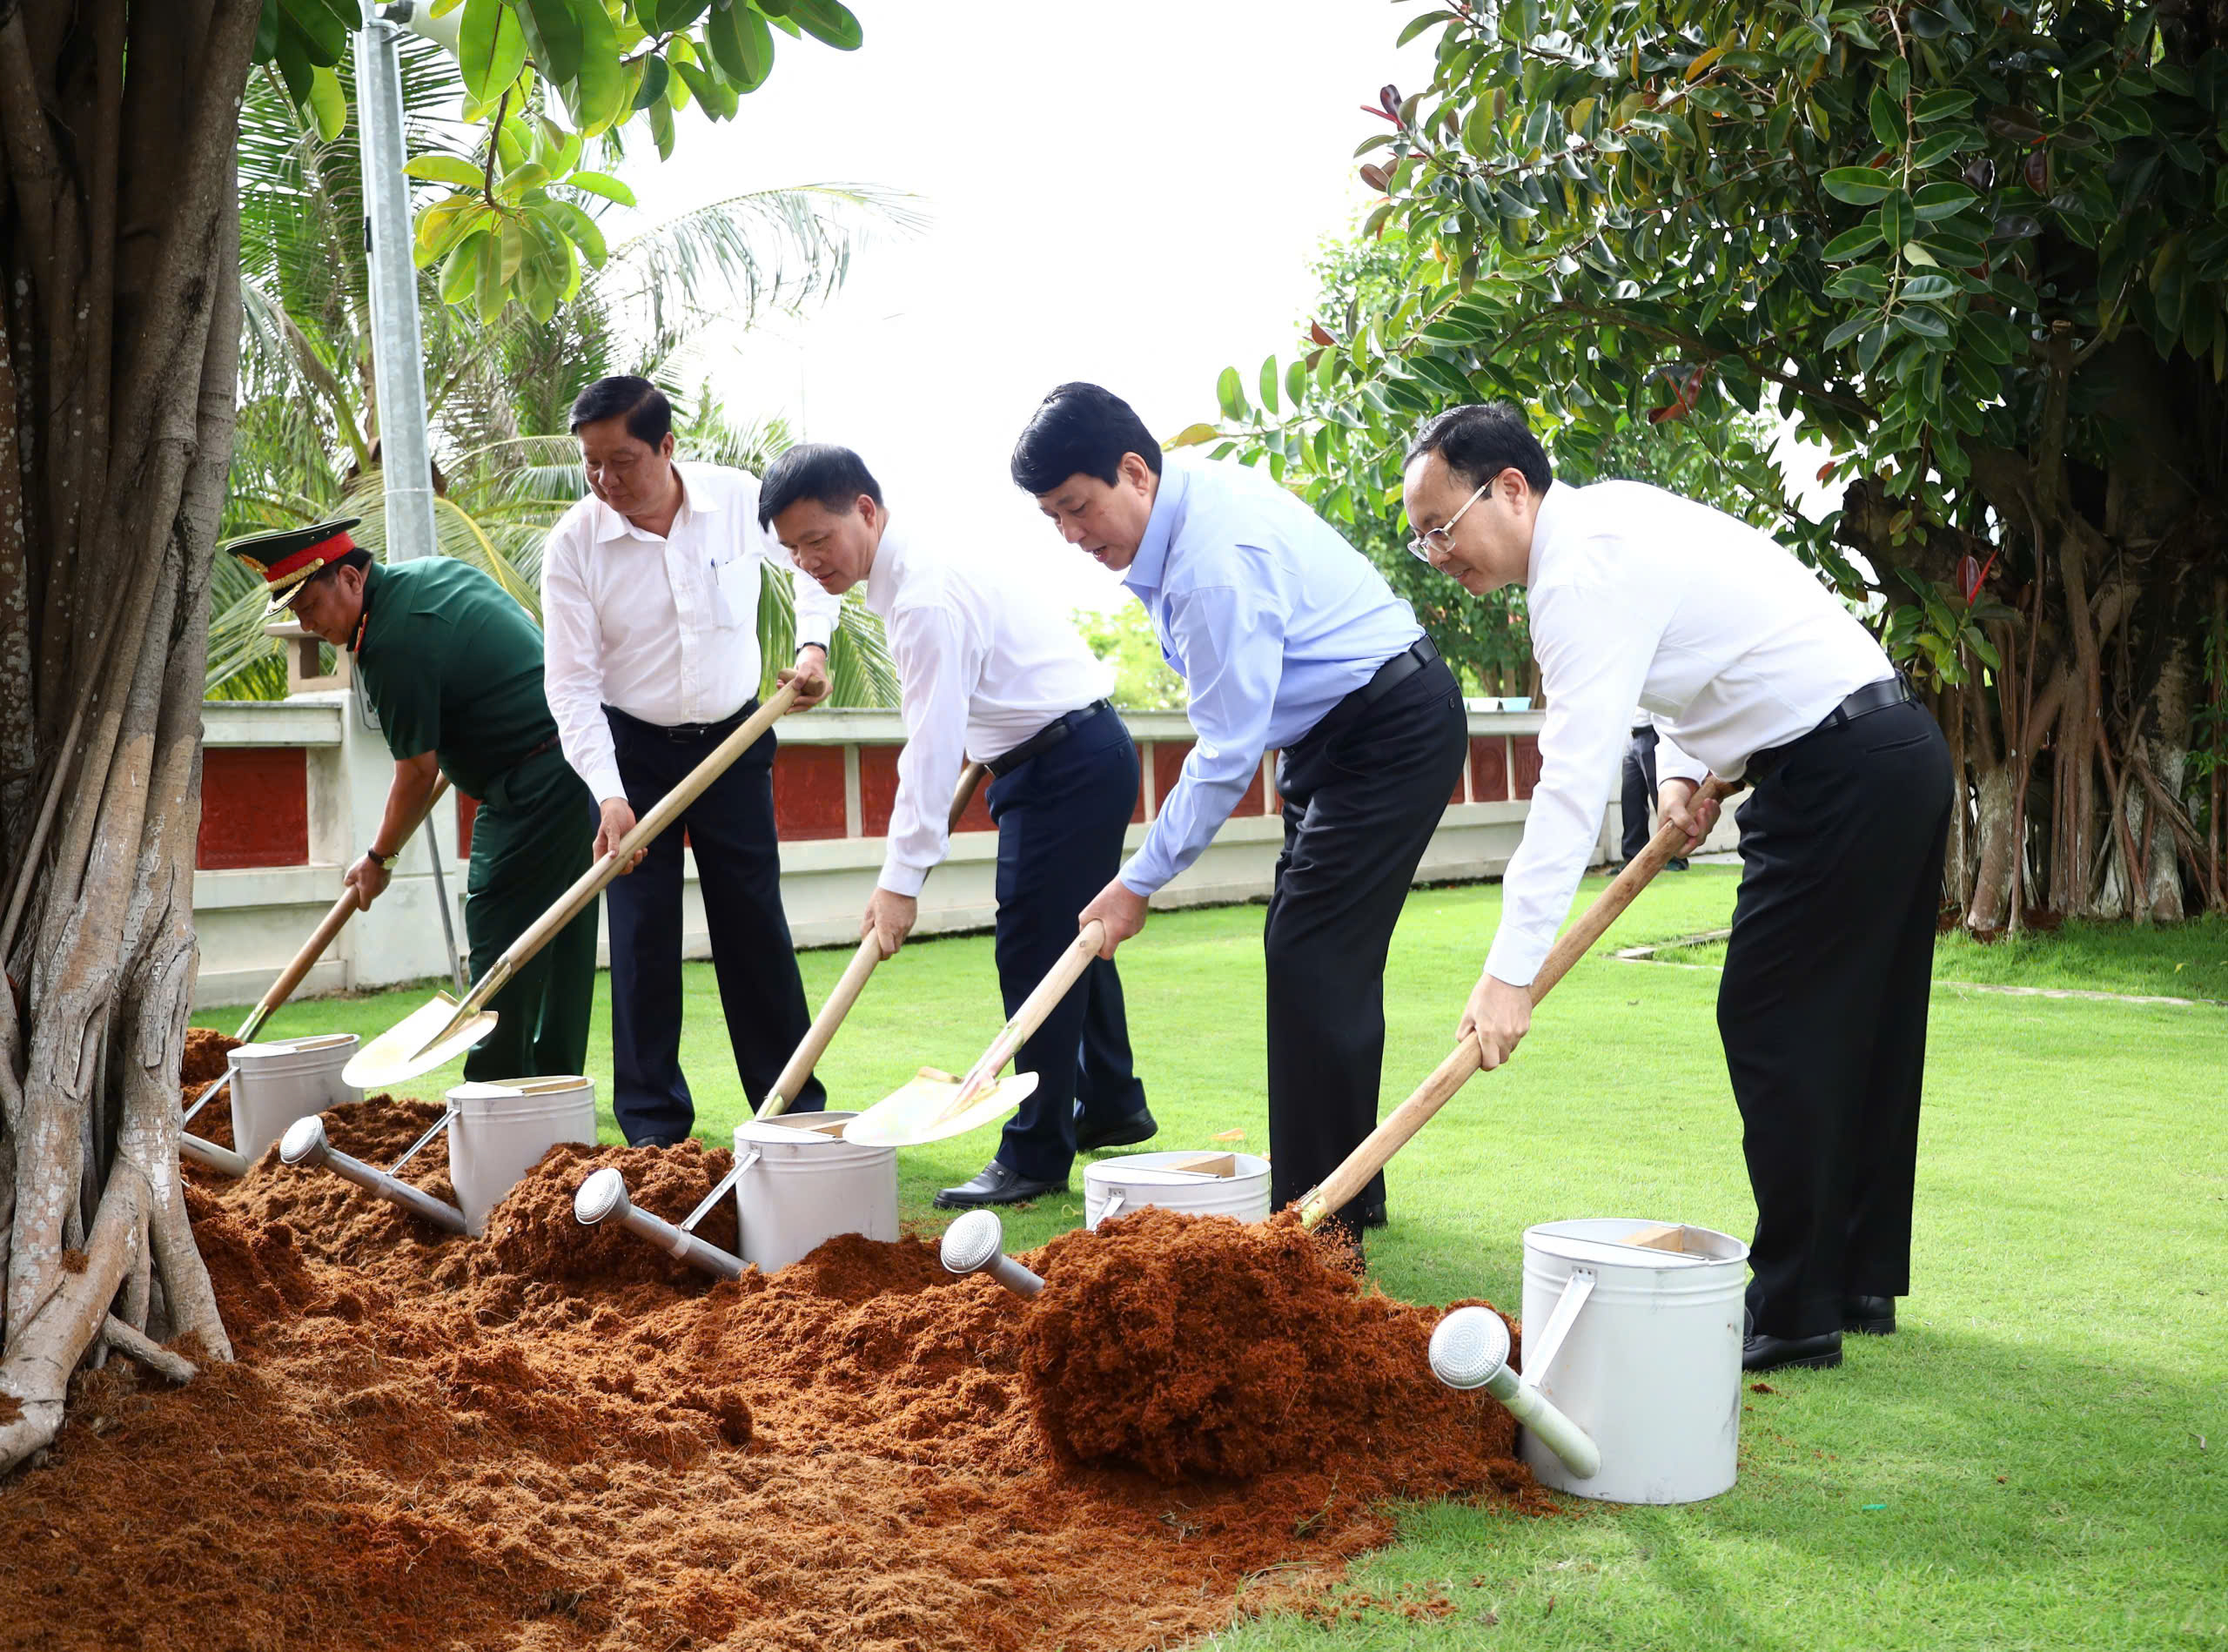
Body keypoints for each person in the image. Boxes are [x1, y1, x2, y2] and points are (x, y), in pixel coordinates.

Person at [1399, 403, 1953, 1373]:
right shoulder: (1610, 529)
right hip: (1885, 753)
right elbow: (1699, 665)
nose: (1438, 554)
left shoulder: (1581, 571)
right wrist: (1676, 777)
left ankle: (1792, 1308)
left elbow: (1567, 787)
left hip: (1840, 770)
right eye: (1422, 541)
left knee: (1770, 1018)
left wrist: (1508, 974)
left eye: (1441, 528)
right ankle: (1852, 1281)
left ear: (1512, 489)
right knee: (1860, 1026)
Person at [1010, 383, 1467, 1248]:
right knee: (1317, 956)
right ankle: (1339, 1195)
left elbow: (1225, 752)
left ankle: (1313, 1221)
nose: (1072, 534)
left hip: (1388, 725)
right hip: (1330, 737)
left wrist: (1136, 880)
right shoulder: (1180, 529)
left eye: (1077, 506)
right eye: (1053, 519)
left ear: (1134, 472)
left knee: (1310, 951)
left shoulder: (1211, 560)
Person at [759, 444, 1152, 1207]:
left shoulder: (923, 599)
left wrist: (899, 882)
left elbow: (932, 751)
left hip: (1064, 765)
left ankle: (1035, 1154)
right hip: (1068, 753)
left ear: (866, 512)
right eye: (793, 549)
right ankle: (1111, 1102)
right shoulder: (910, 561)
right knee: (1078, 939)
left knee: (1035, 951)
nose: (808, 562)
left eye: (818, 541)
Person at [540, 377, 841, 1145]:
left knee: (754, 929)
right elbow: (571, 685)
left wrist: (814, 646)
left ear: (668, 448)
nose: (607, 481)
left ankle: (793, 1112)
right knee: (640, 938)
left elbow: (813, 559)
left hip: (736, 743)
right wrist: (608, 797)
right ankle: (652, 1130)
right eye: (592, 463)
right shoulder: (574, 544)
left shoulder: (740, 500)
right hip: (632, 755)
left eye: (624, 461)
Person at [230, 519, 596, 1082]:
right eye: (297, 615)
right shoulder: (424, 579)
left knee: (500, 929)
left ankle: (495, 1090)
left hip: (536, 781)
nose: (306, 625)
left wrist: (378, 861)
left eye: (308, 607)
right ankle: (555, 1083)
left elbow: (416, 772)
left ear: (350, 579)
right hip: (575, 761)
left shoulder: (391, 640)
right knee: (558, 931)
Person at [1619, 722, 1688, 871]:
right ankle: (1633, 859)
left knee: (1662, 796)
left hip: (1652, 733)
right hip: (1631, 736)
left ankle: (1675, 857)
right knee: (1631, 800)